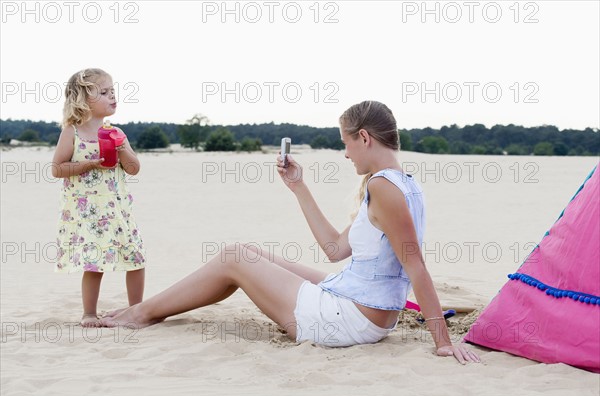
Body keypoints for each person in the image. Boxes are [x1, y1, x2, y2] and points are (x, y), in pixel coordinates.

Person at [100, 100, 479, 364]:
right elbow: (335, 249)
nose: (346, 154)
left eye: (346, 143)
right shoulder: (402, 183)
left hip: (349, 320)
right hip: (358, 301)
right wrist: (299, 186)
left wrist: (444, 343)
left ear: (364, 137)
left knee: (234, 256)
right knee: (247, 252)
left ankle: (142, 314)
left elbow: (416, 267)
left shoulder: (384, 187)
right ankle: (149, 312)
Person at [52, 68, 146, 327]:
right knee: (94, 264)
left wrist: (122, 148)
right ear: (83, 99)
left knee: (135, 258)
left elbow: (134, 168)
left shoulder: (117, 133)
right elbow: (57, 168)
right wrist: (88, 165)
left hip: (117, 211)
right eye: (104, 92)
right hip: (89, 213)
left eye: (113, 91)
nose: (113, 96)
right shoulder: (72, 132)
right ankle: (89, 313)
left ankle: (135, 309)